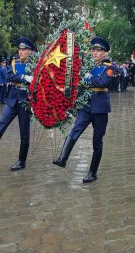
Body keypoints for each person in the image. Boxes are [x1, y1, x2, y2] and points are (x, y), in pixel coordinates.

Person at [53, 37, 115, 183]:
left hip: (100, 108)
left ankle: (92, 172)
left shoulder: (110, 68)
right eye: (93, 50)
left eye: (98, 50)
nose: (94, 52)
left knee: (97, 141)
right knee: (75, 130)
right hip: (86, 106)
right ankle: (63, 158)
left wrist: (88, 77)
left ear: (105, 52)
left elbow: (103, 82)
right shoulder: (88, 66)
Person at [0, 37, 36, 171]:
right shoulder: (14, 62)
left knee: (24, 132)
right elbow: (9, 76)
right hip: (12, 99)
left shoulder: (34, 64)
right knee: (1, 124)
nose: (20, 52)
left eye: (23, 50)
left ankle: (22, 161)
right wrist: (24, 77)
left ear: (29, 51)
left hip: (25, 102)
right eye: (19, 49)